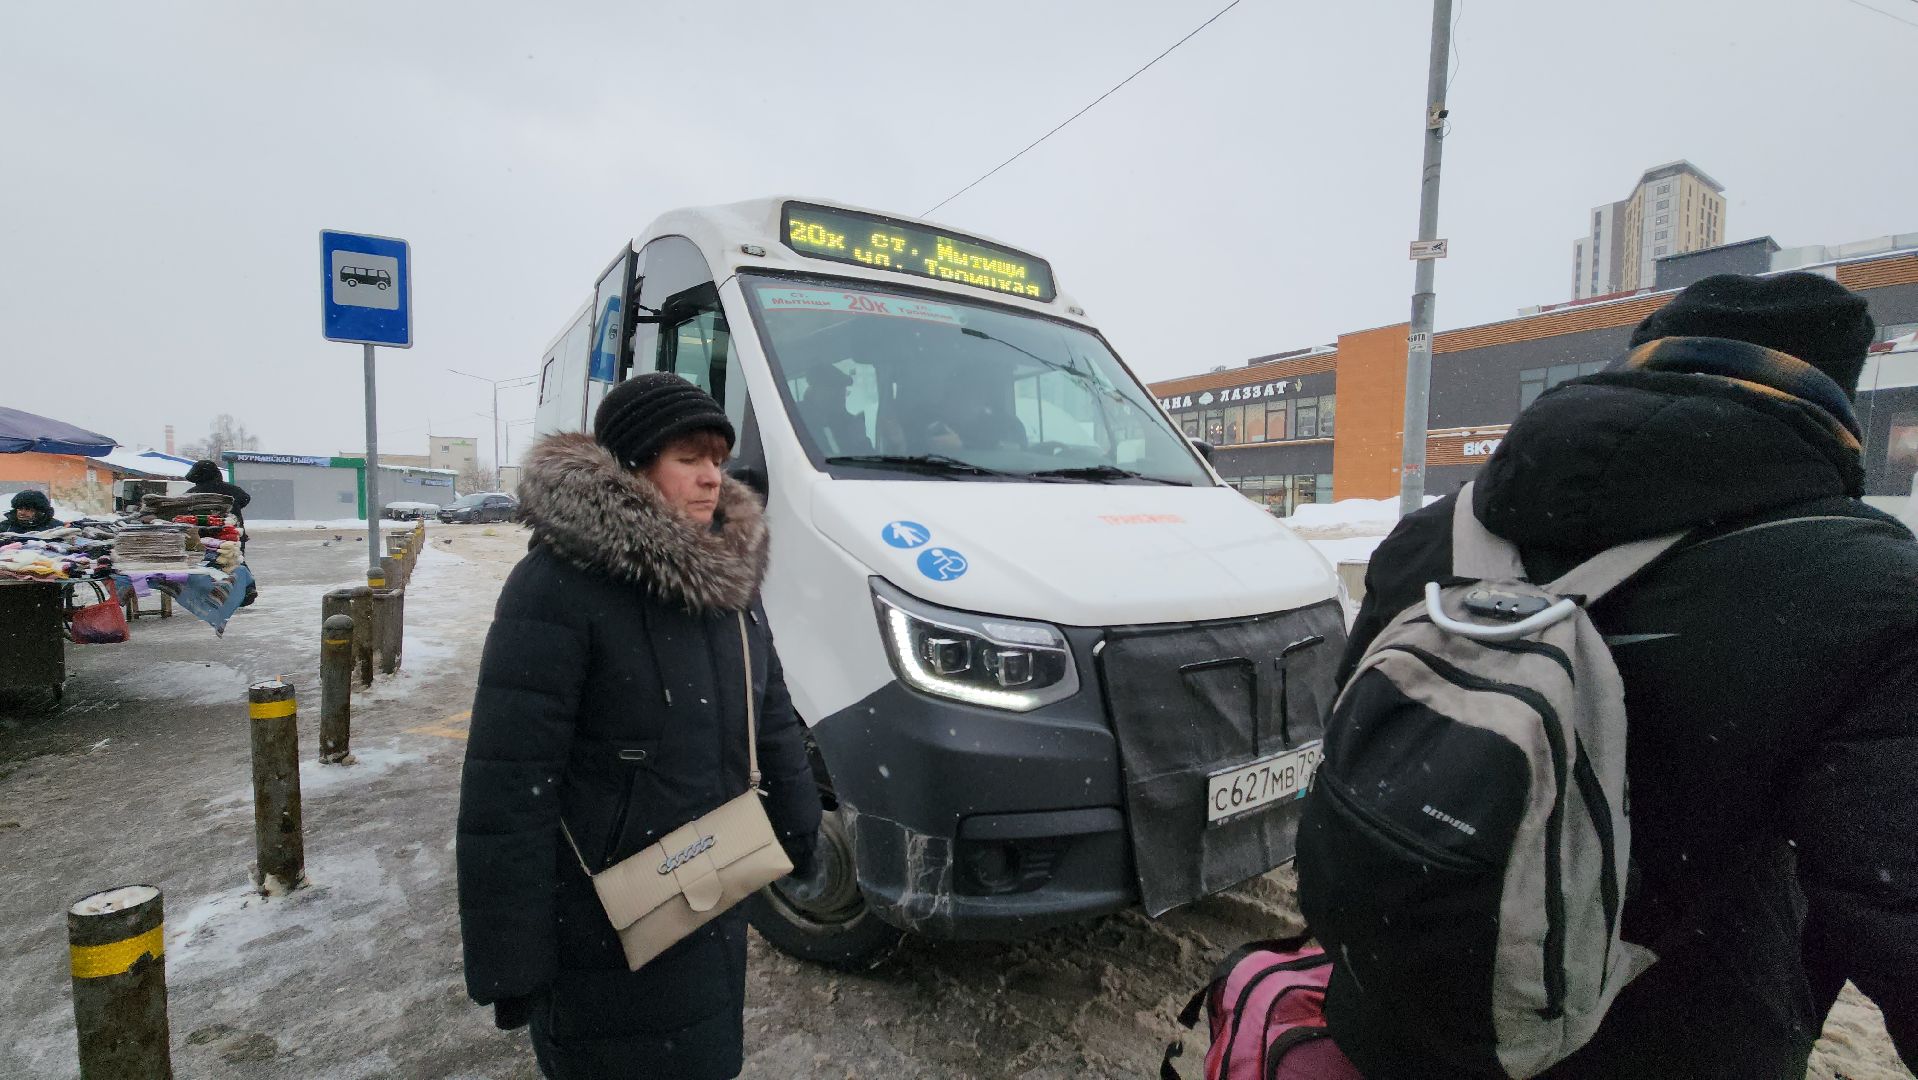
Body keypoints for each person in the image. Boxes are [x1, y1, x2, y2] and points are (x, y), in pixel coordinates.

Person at [1328, 273, 1917, 1078]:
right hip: (1661, 1042)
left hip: (1393, 1020)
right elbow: (1898, 908)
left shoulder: (1435, 535)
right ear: (1837, 404)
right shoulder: (1873, 592)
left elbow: (1355, 739)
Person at [456, 372, 821, 1080]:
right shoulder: (557, 586)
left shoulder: (726, 578)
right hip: (598, 922)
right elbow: (508, 784)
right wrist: (512, 957)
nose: (713, 478)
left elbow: (769, 710)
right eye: (690, 459)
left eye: (718, 459)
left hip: (711, 894)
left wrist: (800, 826)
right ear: (632, 467)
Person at [183, 459, 250, 530]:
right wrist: (232, 508)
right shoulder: (232, 489)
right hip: (232, 531)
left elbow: (183, 508)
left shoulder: (192, 493)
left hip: (203, 533)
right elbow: (245, 498)